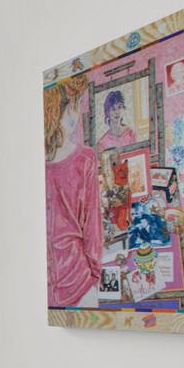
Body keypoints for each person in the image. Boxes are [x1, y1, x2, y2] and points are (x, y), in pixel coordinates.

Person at [45, 77, 103, 307]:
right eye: (76, 105)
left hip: (59, 288)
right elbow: (92, 232)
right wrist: (95, 278)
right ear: (68, 108)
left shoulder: (82, 159)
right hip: (80, 285)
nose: (77, 113)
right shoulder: (84, 160)